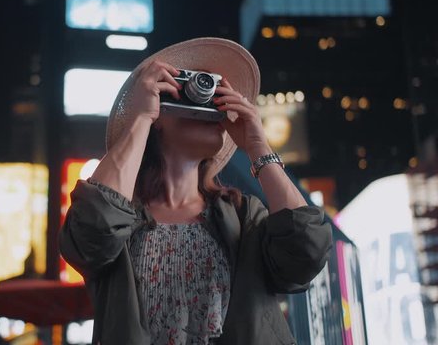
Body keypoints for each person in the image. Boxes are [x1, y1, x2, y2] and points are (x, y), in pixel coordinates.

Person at [59, 38, 332, 345]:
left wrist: (259, 148)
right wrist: (141, 118)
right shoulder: (121, 218)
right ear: (159, 106)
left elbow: (306, 253)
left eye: (215, 93)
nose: (210, 102)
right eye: (190, 90)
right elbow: (88, 238)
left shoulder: (244, 216)